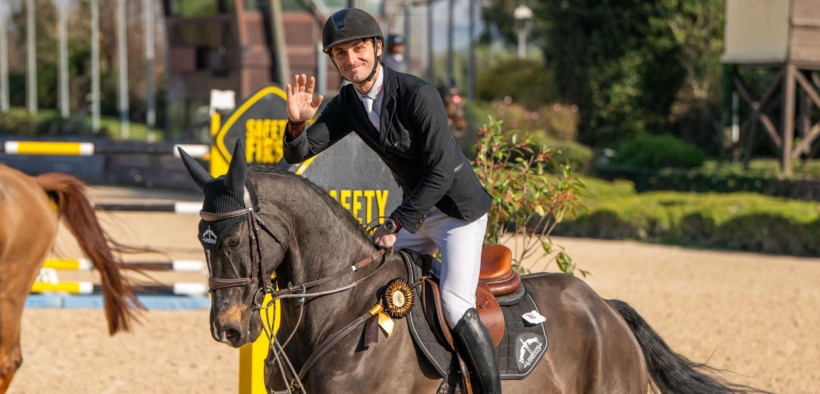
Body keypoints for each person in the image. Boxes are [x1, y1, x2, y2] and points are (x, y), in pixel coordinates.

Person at [281, 8, 500, 394]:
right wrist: (298, 123)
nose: (351, 59)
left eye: (359, 48)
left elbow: (441, 172)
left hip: (457, 215)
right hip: (418, 213)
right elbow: (299, 153)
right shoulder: (348, 102)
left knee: (454, 304)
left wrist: (396, 223)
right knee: (374, 281)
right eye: (340, 53)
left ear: (378, 47)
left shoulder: (418, 94)